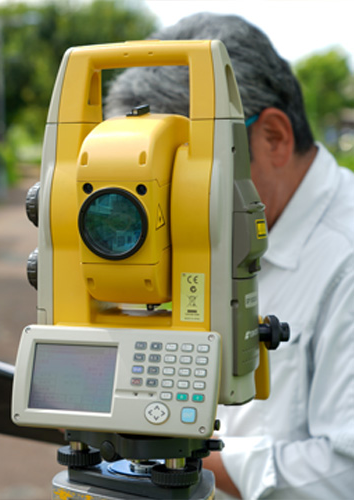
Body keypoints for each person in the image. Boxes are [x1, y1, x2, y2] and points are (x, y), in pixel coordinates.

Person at [104, 13, 354, 500]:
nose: (164, 209)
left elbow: (344, 471)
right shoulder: (212, 236)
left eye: (183, 175)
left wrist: (161, 456)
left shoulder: (345, 258)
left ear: (273, 138)